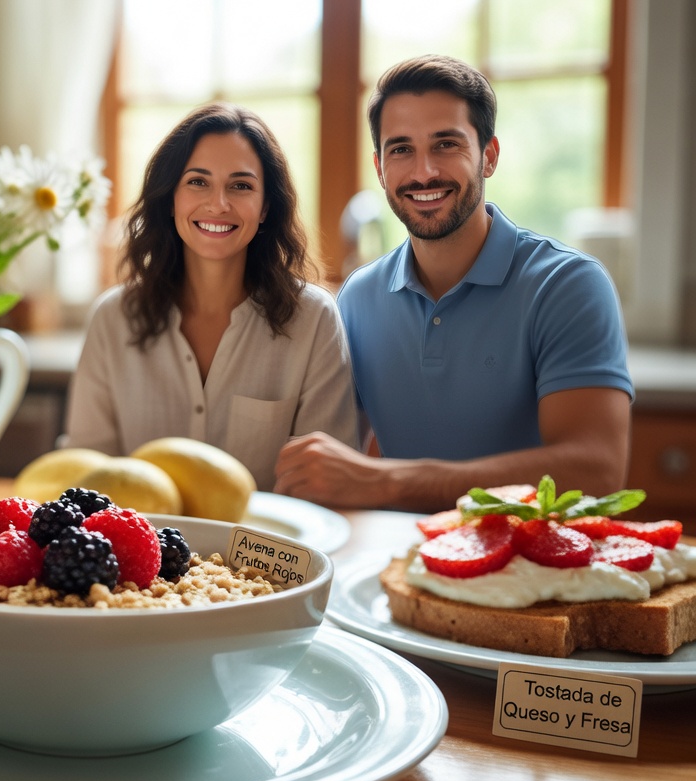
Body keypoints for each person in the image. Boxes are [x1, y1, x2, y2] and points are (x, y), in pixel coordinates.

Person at [274, 54, 634, 512]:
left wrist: (390, 482)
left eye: (446, 144)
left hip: (537, 571)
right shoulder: (358, 298)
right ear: (380, 167)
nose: (423, 172)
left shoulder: (568, 285)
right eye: (401, 149)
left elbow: (595, 472)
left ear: (489, 156)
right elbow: (333, 460)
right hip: (404, 565)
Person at [63, 102, 359, 492]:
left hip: (270, 551)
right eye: (198, 182)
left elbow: (325, 486)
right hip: (139, 551)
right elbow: (87, 475)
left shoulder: (314, 320)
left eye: (241, 185)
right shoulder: (113, 317)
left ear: (266, 206)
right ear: (171, 198)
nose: (218, 204)